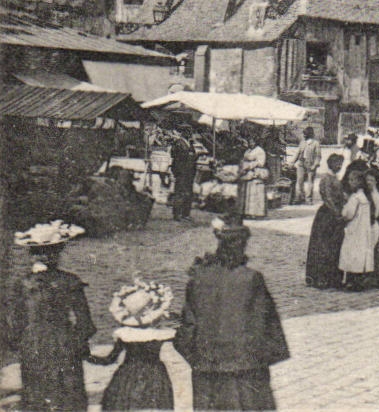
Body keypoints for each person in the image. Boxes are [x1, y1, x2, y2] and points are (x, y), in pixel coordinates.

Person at [174, 214, 289, 411]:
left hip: (207, 370)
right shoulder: (252, 279)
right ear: (243, 245)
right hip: (245, 372)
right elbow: (268, 326)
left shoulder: (198, 278)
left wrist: (199, 360)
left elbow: (186, 329)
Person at [4, 221, 94, 412]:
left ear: (32, 255)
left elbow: (12, 324)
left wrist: (20, 342)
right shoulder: (70, 281)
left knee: (36, 395)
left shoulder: (23, 284)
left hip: (34, 344)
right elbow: (85, 323)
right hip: (63, 342)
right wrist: (77, 341)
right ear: (59, 252)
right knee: (68, 395)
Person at [87, 279, 177, 412]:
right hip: (155, 375)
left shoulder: (125, 335)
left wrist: (87, 356)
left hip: (127, 375)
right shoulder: (159, 335)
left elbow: (109, 359)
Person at [304, 153, 347, 289]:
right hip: (327, 216)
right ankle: (320, 277)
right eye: (337, 163)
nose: (339, 166)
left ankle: (333, 278)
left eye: (340, 164)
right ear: (331, 164)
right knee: (323, 246)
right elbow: (328, 198)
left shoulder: (335, 178)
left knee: (334, 246)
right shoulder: (326, 179)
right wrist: (337, 213)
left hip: (335, 216)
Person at [338, 162, 379, 290]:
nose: (349, 182)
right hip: (363, 231)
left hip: (354, 230)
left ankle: (352, 281)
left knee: (351, 253)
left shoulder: (355, 198)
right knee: (361, 254)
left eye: (351, 180)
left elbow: (348, 214)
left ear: (357, 183)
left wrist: (343, 211)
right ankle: (360, 280)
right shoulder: (366, 198)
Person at [168, 127, 197, 221]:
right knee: (180, 192)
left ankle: (185, 214)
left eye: (190, 132)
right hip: (181, 170)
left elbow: (192, 154)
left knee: (188, 193)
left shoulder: (189, 144)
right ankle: (177, 214)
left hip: (189, 171)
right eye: (188, 132)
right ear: (183, 133)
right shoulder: (179, 143)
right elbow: (176, 156)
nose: (190, 134)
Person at [238, 134, 269, 219]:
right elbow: (244, 159)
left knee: (256, 193)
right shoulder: (248, 151)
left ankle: (257, 213)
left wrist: (250, 165)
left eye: (252, 141)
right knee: (248, 193)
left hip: (256, 172)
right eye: (249, 142)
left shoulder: (260, 151)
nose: (250, 143)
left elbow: (261, 162)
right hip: (247, 173)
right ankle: (247, 212)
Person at [293, 127, 322, 205]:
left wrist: (315, 165)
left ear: (310, 134)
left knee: (310, 182)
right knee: (300, 180)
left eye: (305, 134)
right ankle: (300, 197)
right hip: (301, 163)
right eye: (304, 134)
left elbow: (318, 156)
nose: (304, 135)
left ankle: (308, 199)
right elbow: (298, 153)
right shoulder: (302, 143)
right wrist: (292, 162)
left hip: (311, 164)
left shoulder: (316, 143)